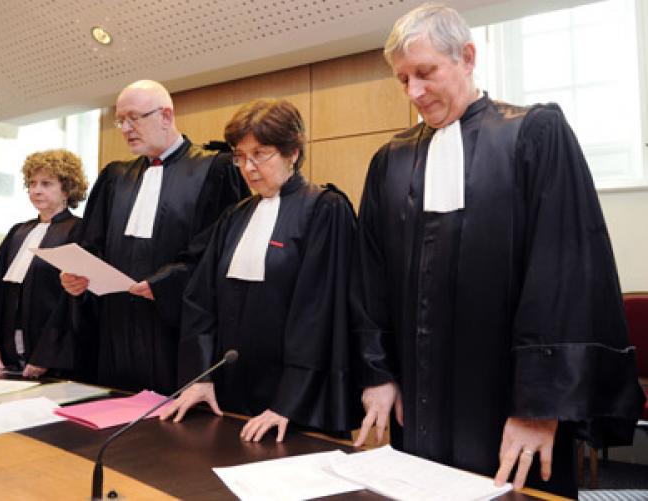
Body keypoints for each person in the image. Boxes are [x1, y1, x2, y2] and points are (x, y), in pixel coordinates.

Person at [350, 3, 646, 497]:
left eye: (425, 73)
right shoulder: (391, 161)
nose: (414, 92)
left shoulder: (534, 135)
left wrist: (538, 405)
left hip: (511, 406)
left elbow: (562, 276)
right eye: (403, 80)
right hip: (417, 403)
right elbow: (370, 277)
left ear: (467, 57)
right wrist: (378, 373)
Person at [159, 99, 359, 442]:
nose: (248, 167)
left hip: (295, 404)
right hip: (231, 393)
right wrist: (201, 377)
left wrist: (289, 403)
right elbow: (200, 301)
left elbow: (319, 314)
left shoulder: (325, 209)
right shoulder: (234, 217)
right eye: (240, 156)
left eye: (260, 153)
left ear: (292, 152)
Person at [60, 80, 249, 394]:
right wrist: (78, 276)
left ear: (166, 115)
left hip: (175, 328)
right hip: (117, 328)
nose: (125, 128)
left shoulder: (214, 169)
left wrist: (164, 283)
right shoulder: (115, 177)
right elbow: (91, 244)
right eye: (121, 120)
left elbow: (217, 250)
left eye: (135, 117)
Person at [0, 149, 88, 378]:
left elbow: (73, 304)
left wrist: (47, 355)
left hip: (55, 359)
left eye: (46, 183)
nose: (36, 190)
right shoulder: (18, 232)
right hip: (8, 355)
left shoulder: (79, 231)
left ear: (67, 189)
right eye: (32, 183)